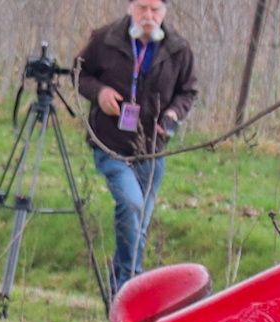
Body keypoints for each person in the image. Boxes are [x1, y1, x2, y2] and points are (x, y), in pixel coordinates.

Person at [75, 0, 198, 288]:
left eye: (155, 10)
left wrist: (173, 114)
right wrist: (100, 92)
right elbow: (80, 72)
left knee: (138, 226)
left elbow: (189, 91)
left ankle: (121, 286)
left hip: (152, 150)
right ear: (130, 8)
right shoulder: (105, 39)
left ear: (164, 13)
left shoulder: (178, 49)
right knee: (131, 206)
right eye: (142, 8)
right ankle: (132, 288)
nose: (148, 16)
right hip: (110, 145)